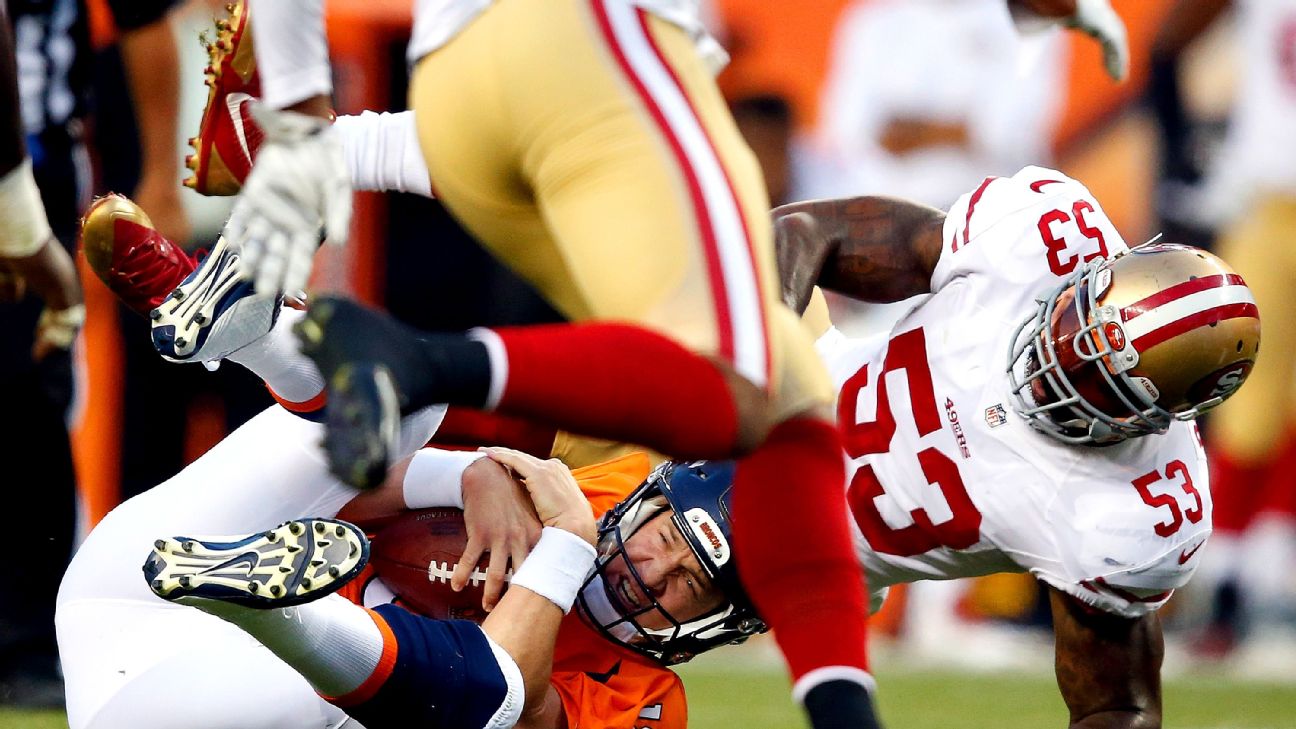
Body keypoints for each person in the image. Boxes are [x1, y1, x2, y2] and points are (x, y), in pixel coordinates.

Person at [181, 2, 1130, 724]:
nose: (651, 572)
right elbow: (803, 230)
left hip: (518, 87)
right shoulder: (1019, 256)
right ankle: (348, 307)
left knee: (589, 236)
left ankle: (316, 205)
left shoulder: (1129, 504)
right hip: (730, 420)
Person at [59, 201, 763, 726]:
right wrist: (465, 473)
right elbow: (347, 494)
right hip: (141, 570)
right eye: (669, 541)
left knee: (445, 707)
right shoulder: (611, 478)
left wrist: (568, 545)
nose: (655, 572)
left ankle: (279, 609)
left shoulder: (648, 700)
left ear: (713, 624)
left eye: (691, 587)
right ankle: (253, 327)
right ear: (654, 499)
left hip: (189, 700)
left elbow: (514, 700)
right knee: (416, 407)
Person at [1148, 0, 1296, 662]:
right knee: (1250, 400)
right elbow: (1168, 40)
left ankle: (1261, 579)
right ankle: (1229, 587)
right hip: (1270, 200)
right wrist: (1181, 144)